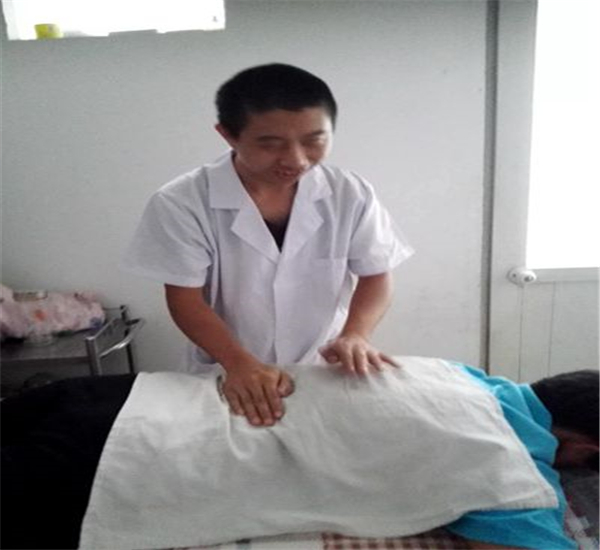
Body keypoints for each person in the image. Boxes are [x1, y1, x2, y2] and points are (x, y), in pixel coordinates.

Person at [1, 362, 597, 550]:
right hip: (120, 462)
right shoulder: (511, 473)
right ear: (584, 449)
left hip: (121, 393)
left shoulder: (459, 373)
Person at [123, 63, 414, 427]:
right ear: (228, 135)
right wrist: (238, 363)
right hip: (226, 367)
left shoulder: (349, 193)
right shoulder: (182, 202)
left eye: (314, 140)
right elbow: (185, 298)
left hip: (322, 367)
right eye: (270, 144)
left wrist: (356, 334)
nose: (296, 159)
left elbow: (376, 274)